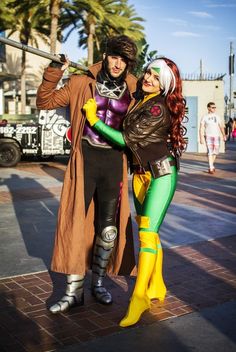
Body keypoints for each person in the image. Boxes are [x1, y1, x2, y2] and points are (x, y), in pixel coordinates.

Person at [36, 35, 138, 314]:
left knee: (108, 229)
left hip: (114, 163)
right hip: (86, 160)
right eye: (115, 57)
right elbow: (44, 101)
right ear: (105, 56)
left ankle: (99, 284)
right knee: (76, 225)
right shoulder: (81, 83)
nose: (119, 64)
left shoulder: (133, 87)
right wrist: (55, 70)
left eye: (125, 60)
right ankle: (73, 292)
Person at [83, 57, 187, 327]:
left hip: (161, 175)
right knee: (151, 232)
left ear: (164, 82)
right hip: (141, 175)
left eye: (154, 76)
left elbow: (125, 140)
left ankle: (139, 297)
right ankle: (157, 286)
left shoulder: (159, 108)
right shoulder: (141, 98)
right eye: (147, 73)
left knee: (146, 235)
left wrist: (94, 120)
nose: (147, 78)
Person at [199, 102, 226, 174]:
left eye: (215, 107)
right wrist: (201, 137)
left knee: (215, 152)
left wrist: (224, 135)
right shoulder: (205, 117)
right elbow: (201, 128)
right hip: (208, 136)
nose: (214, 109)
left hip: (217, 136)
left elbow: (221, 126)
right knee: (210, 152)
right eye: (212, 107)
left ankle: (211, 165)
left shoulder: (217, 117)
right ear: (208, 108)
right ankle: (211, 167)